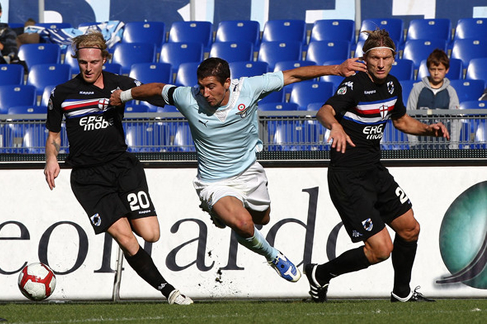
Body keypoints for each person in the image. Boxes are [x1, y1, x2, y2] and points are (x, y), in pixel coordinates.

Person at [110, 56, 367, 284]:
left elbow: (294, 75)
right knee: (243, 224)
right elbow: (156, 88)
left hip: (249, 173)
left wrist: (336, 69)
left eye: (211, 86)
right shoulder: (188, 98)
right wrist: (123, 96)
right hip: (213, 182)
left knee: (261, 219)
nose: (205, 92)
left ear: (227, 83)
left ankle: (221, 215)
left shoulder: (249, 89)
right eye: (201, 86)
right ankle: (274, 256)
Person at [44, 31, 192, 305]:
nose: (88, 67)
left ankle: (124, 214)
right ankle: (169, 291)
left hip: (123, 169)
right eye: (83, 62)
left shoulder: (119, 85)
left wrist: (139, 96)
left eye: (94, 62)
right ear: (78, 60)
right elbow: (53, 137)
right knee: (125, 237)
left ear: (104, 60)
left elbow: (152, 91)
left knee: (151, 234)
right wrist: (50, 158)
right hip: (88, 179)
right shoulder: (62, 93)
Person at [306, 29, 449, 303]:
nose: (381, 63)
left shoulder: (394, 85)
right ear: (366, 60)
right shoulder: (354, 85)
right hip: (347, 176)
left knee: (410, 228)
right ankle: (321, 274)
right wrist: (334, 126)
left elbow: (401, 121)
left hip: (374, 171)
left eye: (386, 58)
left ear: (394, 59)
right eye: (375, 58)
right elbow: (324, 111)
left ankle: (402, 293)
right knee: (380, 250)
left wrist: (429, 130)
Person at [407, 49, 460, 149]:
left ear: (447, 70)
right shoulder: (417, 88)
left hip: (444, 146)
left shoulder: (451, 91)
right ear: (428, 69)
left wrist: (453, 146)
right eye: (433, 69)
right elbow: (410, 116)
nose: (436, 73)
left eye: (440, 69)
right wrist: (413, 144)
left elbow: (455, 120)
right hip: (420, 146)